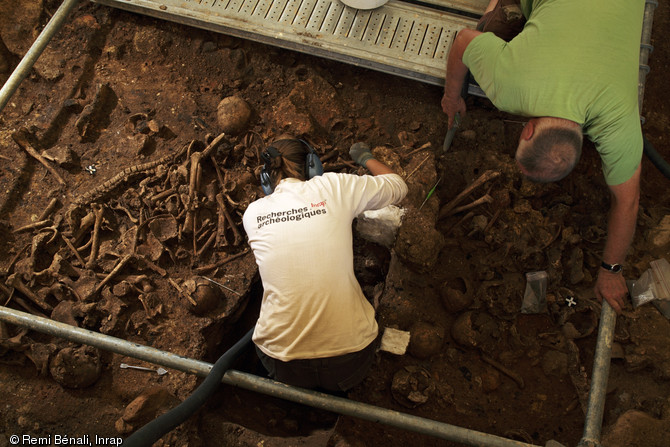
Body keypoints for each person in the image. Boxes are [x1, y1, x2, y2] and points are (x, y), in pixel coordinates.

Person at [441, 0, 645, 313]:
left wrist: (611, 270)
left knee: (494, 30)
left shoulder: (621, 124)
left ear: (527, 131)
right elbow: (464, 40)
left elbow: (629, 202)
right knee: (490, 32)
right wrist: (452, 96)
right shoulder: (509, 86)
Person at [242, 138, 408, 392]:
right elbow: (398, 186)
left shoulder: (253, 213)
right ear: (313, 165)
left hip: (282, 365)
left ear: (267, 177)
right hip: (349, 362)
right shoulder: (334, 186)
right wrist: (365, 158)